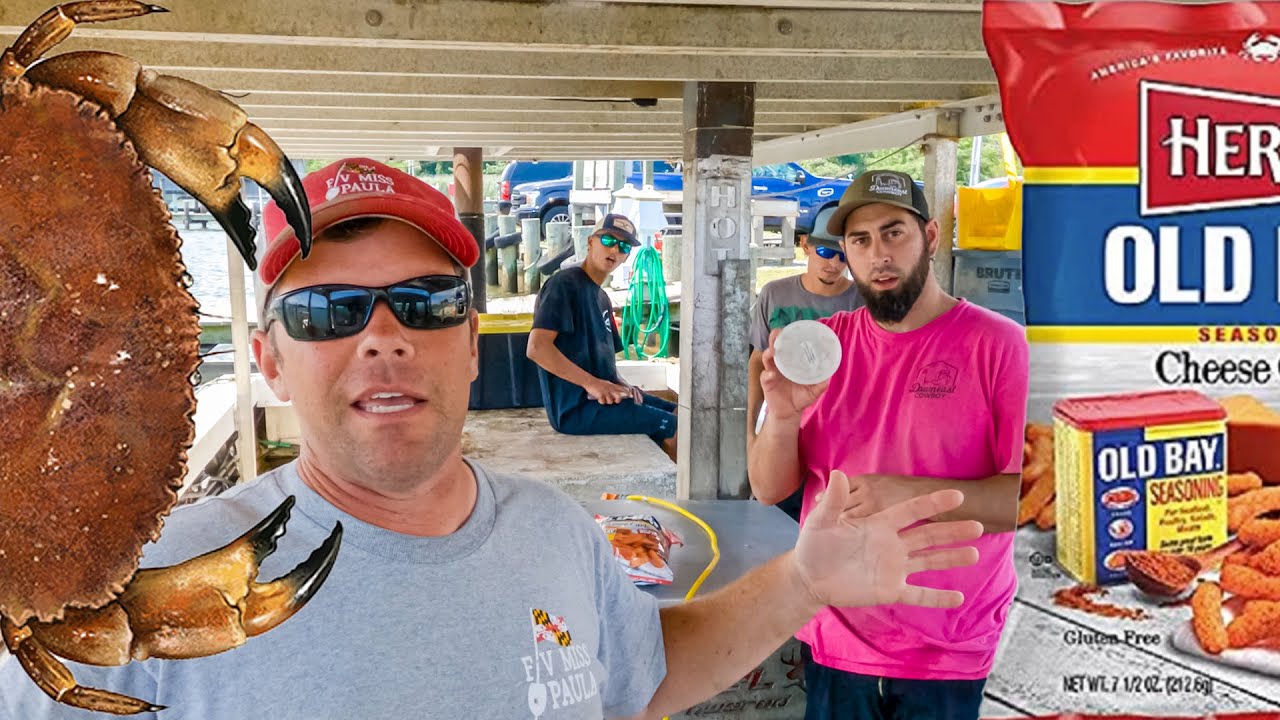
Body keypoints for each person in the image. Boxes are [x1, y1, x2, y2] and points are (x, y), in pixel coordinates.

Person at [1, 159, 984, 720]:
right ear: (268, 361)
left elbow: (640, 674)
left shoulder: (556, 533)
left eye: (426, 302)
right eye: (329, 311)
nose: (383, 335)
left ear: (471, 344)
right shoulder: (136, 592)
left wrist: (803, 581)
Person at [748, 169, 1028, 720]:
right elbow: (768, 489)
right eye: (859, 240)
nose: (878, 254)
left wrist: (908, 493)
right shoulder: (825, 348)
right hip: (836, 631)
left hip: (950, 643)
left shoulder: (1000, 345)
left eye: (893, 233)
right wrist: (781, 416)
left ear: (931, 236)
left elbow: (1037, 504)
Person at [526, 214, 678, 461]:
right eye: (608, 240)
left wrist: (621, 384)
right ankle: (681, 486)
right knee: (675, 428)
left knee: (680, 412)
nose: (615, 250)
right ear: (590, 242)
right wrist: (593, 384)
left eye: (624, 246)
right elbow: (537, 348)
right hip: (576, 409)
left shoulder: (602, 298)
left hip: (604, 401)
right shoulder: (563, 284)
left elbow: (603, 362)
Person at [747, 222, 863, 522]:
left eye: (843, 256)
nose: (833, 263)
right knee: (772, 516)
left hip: (839, 434)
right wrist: (750, 430)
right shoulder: (774, 293)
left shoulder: (864, 301)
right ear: (805, 245)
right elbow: (758, 360)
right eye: (825, 251)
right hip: (784, 426)